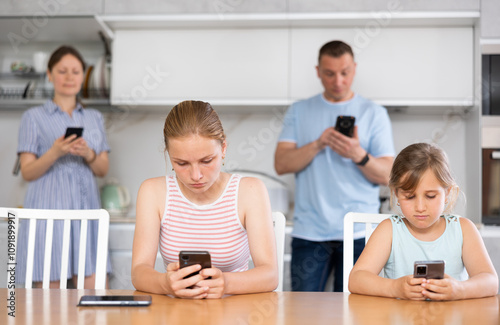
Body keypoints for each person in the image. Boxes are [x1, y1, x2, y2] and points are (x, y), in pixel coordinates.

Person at [274, 40, 395, 292]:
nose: (338, 81)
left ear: (354, 69)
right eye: (329, 73)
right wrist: (318, 143)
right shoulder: (299, 110)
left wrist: (358, 154)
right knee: (303, 314)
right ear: (318, 71)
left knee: (356, 313)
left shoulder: (375, 113)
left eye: (345, 72)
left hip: (361, 232)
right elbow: (281, 163)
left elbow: (388, 176)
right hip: (309, 233)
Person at [131, 100, 278, 299]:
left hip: (236, 314)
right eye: (181, 163)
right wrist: (165, 284)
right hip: (177, 314)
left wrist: (225, 283)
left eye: (206, 161)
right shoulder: (152, 192)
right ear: (168, 155)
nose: (196, 175)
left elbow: (270, 275)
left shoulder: (250, 190)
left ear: (223, 148)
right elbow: (139, 272)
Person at [349, 143, 499, 300]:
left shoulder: (464, 229)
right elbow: (356, 279)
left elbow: (491, 281)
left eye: (431, 196)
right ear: (396, 193)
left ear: (447, 193)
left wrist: (460, 289)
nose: (420, 207)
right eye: (409, 196)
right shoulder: (389, 230)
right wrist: (394, 288)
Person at [16, 45, 111, 288]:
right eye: (62, 71)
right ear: (49, 74)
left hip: (86, 212)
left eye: (76, 71)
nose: (70, 77)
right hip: (48, 214)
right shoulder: (33, 117)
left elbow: (102, 169)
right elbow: (27, 171)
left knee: (94, 294)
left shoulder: (94, 118)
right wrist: (55, 152)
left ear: (83, 76)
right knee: (48, 301)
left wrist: (89, 153)